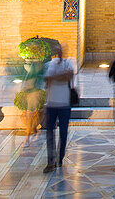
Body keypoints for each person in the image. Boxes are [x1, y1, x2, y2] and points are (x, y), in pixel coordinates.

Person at [43, 43, 75, 173]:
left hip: (64, 103)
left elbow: (68, 76)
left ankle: (59, 158)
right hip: (51, 103)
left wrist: (55, 77)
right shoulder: (50, 64)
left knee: (63, 134)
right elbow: (47, 79)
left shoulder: (69, 63)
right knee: (49, 133)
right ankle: (50, 160)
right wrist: (60, 76)